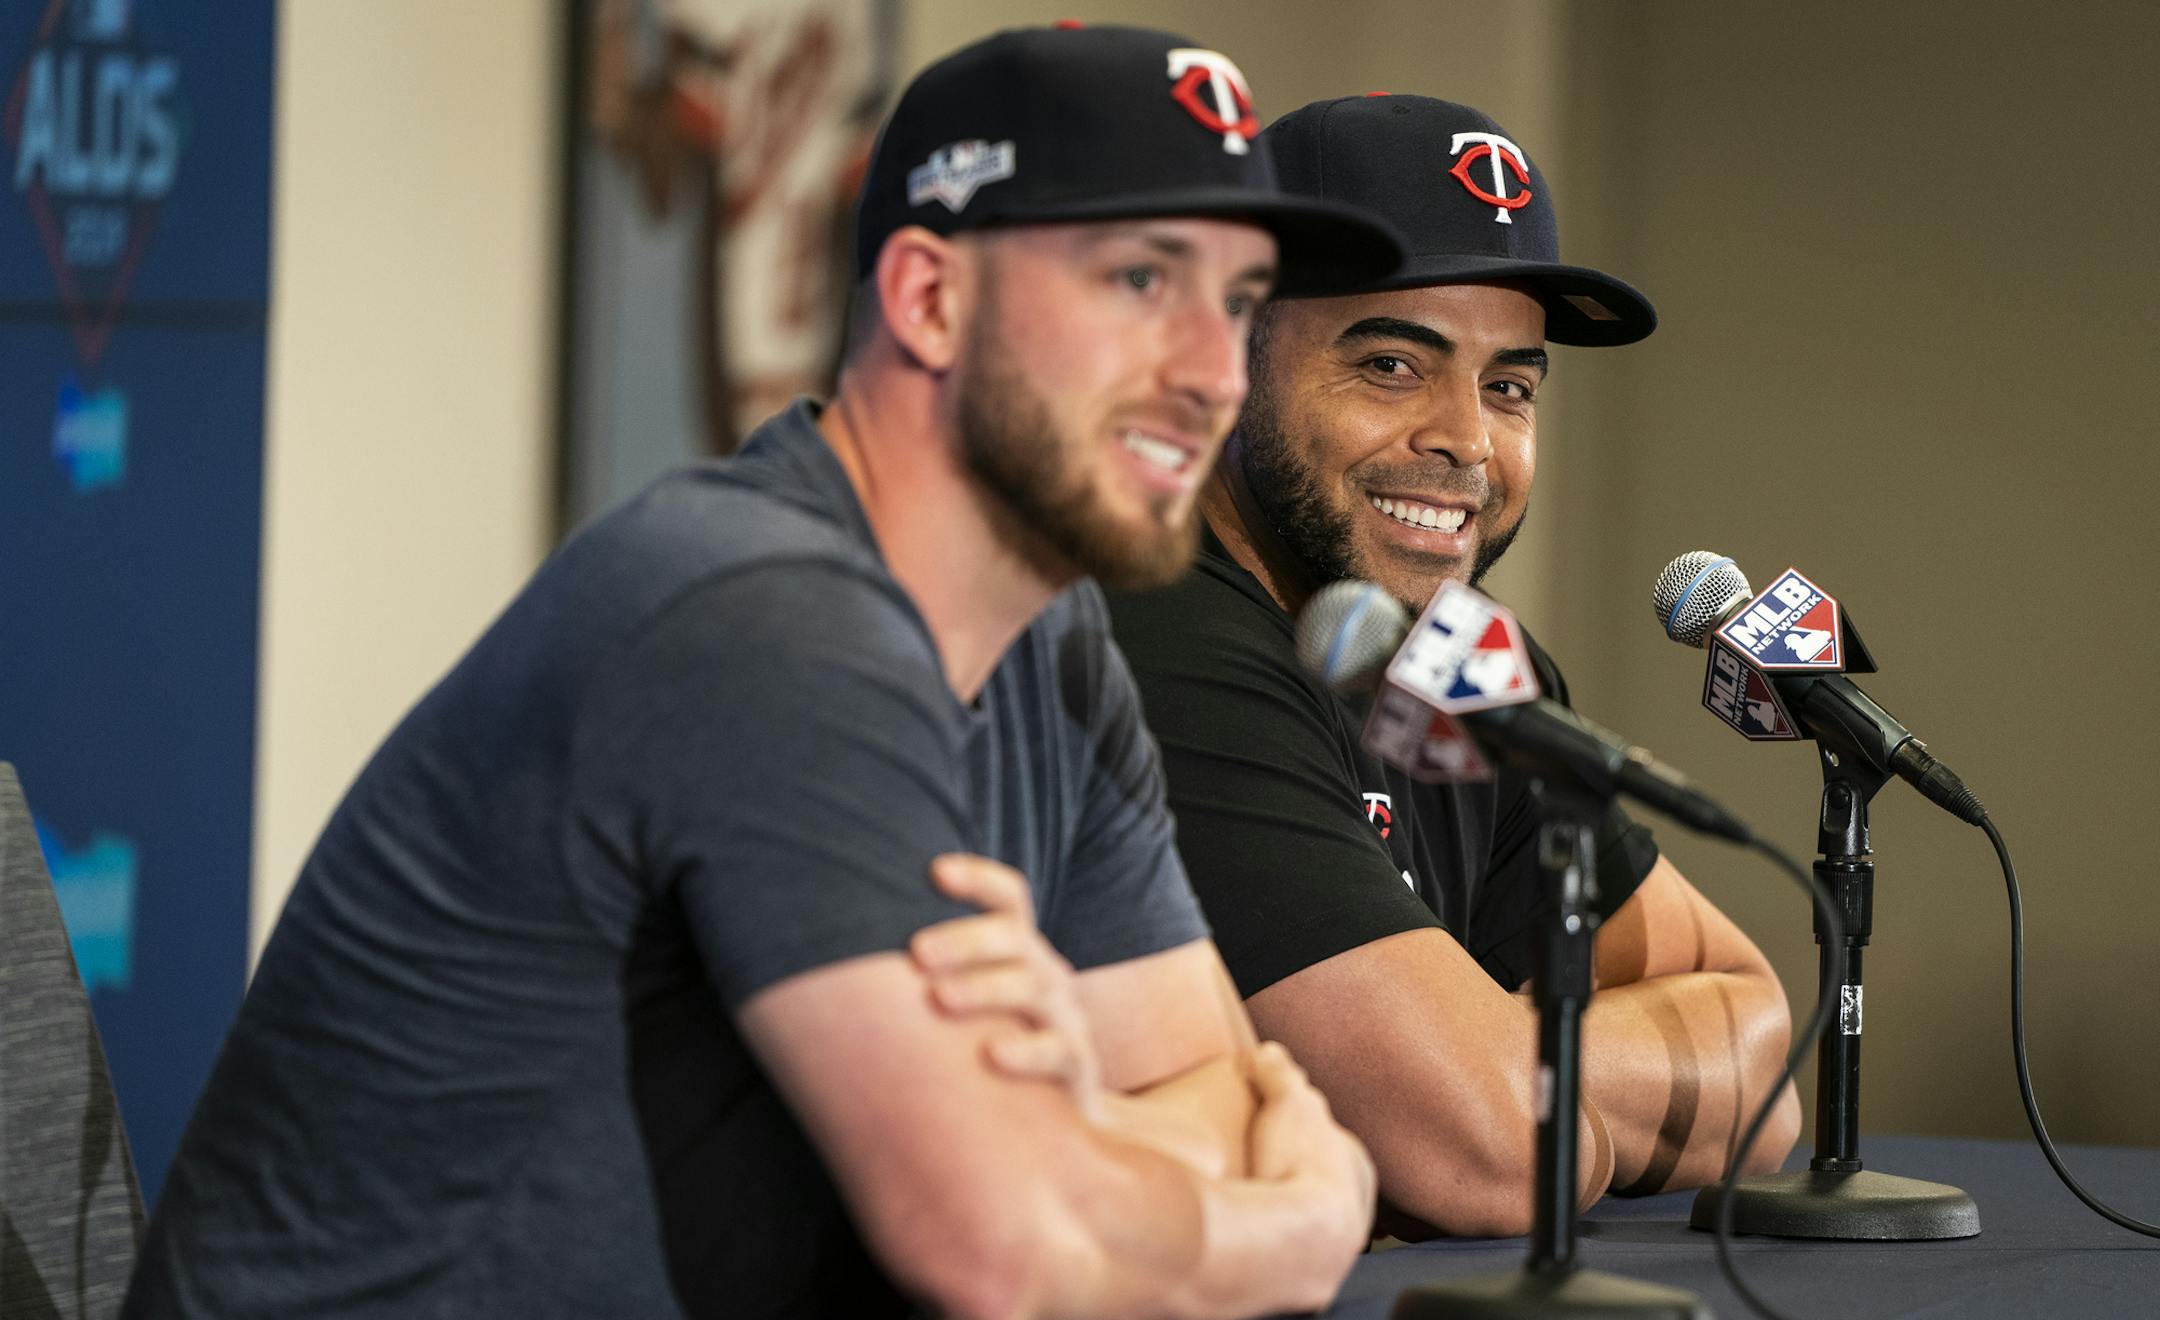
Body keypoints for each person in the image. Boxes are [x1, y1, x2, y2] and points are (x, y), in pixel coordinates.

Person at [123, 27, 1405, 1319]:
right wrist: (1299, 1224)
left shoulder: (1058, 645)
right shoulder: (759, 616)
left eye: (1240, 304)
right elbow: (1013, 1257)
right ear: (927, 300)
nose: (1211, 373)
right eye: (1142, 280)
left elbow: (1220, 1099)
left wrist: (1069, 1131)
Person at [1105, 93, 1800, 1239]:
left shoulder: (1466, 665)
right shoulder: (1153, 635)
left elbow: (1764, 1063)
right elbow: (1481, 1156)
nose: (1466, 441)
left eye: (1510, 386)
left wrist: (1512, 1073)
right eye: (1390, 364)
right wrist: (1506, 1097)